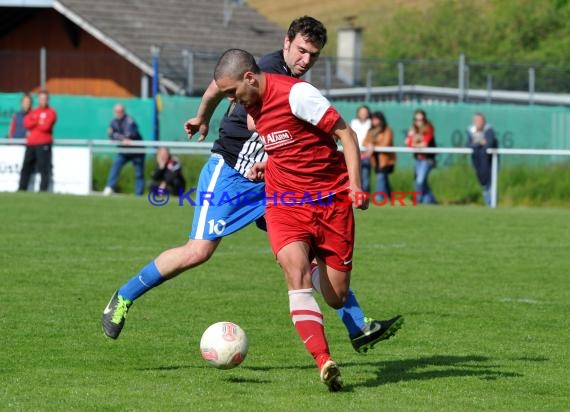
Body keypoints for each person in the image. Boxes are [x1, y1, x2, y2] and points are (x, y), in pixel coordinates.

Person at [102, 16, 402, 359]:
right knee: (198, 251)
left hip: (273, 180)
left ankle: (357, 326)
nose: (305, 60)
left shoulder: (293, 83)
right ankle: (123, 297)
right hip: (231, 172)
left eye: (313, 55)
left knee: (304, 254)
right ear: (286, 43)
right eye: (301, 50)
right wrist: (203, 115)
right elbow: (222, 87)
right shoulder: (264, 69)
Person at [213, 48, 373, 391]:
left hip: (331, 203)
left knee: (336, 297)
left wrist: (356, 185)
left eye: (231, 93)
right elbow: (284, 145)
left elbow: (346, 134)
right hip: (285, 204)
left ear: (250, 78)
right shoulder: (252, 109)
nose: (231, 102)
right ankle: (323, 360)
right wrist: (267, 164)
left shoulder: (297, 95)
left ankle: (322, 271)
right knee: (294, 272)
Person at [18, 90, 57, 192]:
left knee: (44, 168)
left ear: (47, 99)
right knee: (26, 167)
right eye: (41, 98)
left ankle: (43, 190)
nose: (42, 100)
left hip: (44, 143)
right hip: (31, 144)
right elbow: (26, 124)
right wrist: (38, 121)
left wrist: (35, 123)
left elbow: (46, 126)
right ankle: (22, 188)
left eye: (44, 98)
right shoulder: (34, 112)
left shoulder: (51, 112)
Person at [103, 104, 145, 196]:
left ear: (124, 112)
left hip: (137, 151)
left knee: (139, 173)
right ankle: (109, 187)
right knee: (115, 167)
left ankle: (138, 194)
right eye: (116, 111)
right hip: (124, 151)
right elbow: (111, 135)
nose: (118, 113)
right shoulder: (113, 122)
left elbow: (130, 134)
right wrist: (120, 137)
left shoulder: (129, 120)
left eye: (120, 111)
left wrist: (117, 136)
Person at [405, 109, 437, 204]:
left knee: (420, 181)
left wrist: (413, 143)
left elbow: (425, 144)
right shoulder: (413, 129)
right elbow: (408, 143)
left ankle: (418, 201)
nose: (418, 122)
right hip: (418, 159)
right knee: (420, 182)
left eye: (421, 119)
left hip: (427, 159)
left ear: (424, 119)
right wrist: (413, 141)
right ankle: (429, 201)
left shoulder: (429, 128)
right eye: (416, 119)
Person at [363, 111, 395, 202]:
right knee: (384, 179)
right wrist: (369, 145)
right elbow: (365, 142)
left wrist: (373, 145)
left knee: (381, 177)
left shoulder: (387, 130)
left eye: (376, 118)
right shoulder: (370, 131)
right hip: (375, 159)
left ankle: (379, 198)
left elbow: (386, 143)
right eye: (373, 118)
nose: (374, 121)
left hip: (385, 159)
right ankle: (390, 197)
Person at [466, 112, 498, 207]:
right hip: (478, 162)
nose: (479, 123)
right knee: (484, 183)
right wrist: (479, 143)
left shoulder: (489, 130)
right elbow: (469, 145)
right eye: (477, 121)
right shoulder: (471, 131)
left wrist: (477, 143)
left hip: (491, 161)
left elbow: (489, 143)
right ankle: (489, 203)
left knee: (491, 183)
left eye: (481, 120)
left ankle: (492, 204)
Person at [350, 105, 372, 193]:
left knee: (365, 178)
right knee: (355, 177)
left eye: (365, 112)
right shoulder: (354, 122)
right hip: (354, 153)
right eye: (361, 112)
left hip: (366, 154)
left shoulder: (370, 123)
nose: (363, 114)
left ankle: (365, 197)